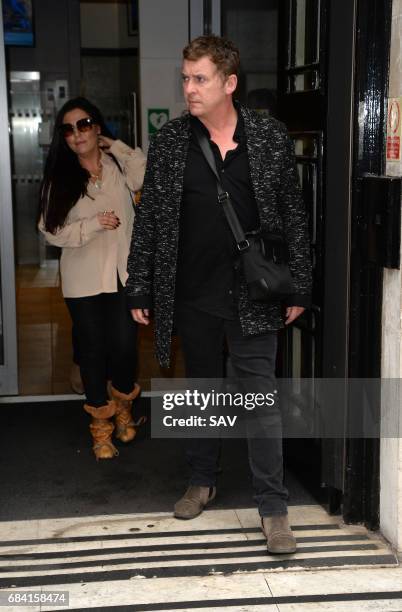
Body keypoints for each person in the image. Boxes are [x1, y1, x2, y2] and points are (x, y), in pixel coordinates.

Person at [125, 36, 312, 553]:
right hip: (192, 292)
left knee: (260, 400)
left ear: (229, 83)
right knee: (202, 392)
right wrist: (139, 284)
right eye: (185, 78)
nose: (189, 88)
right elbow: (151, 222)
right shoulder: (170, 142)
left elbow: (295, 217)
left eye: (199, 79)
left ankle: (273, 509)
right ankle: (202, 480)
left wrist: (298, 283)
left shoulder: (269, 138)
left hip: (254, 293)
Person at [38, 97, 146, 460]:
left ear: (97, 126)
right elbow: (50, 230)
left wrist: (114, 144)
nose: (76, 134)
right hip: (83, 280)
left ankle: (125, 406)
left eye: (83, 124)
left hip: (123, 275)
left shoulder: (118, 163)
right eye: (68, 129)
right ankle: (101, 427)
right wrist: (91, 226)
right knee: (93, 352)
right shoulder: (60, 177)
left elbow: (146, 173)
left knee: (125, 348)